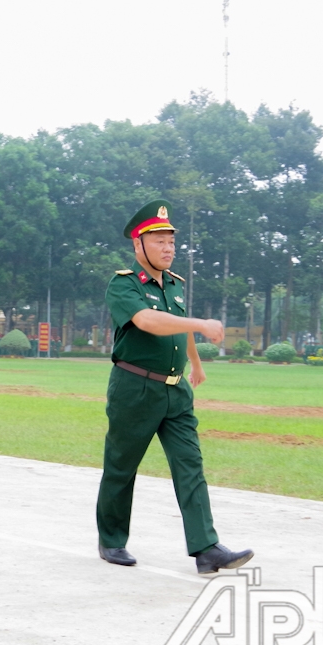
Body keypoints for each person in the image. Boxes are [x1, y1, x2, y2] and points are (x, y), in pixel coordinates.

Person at [96, 200, 254, 575]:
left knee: (190, 465)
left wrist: (195, 364)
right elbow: (148, 320)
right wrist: (200, 322)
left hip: (175, 390)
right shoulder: (124, 285)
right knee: (122, 466)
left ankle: (206, 548)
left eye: (171, 242)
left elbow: (178, 326)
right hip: (134, 388)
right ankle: (112, 540)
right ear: (139, 245)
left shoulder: (175, 285)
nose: (168, 248)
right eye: (160, 241)